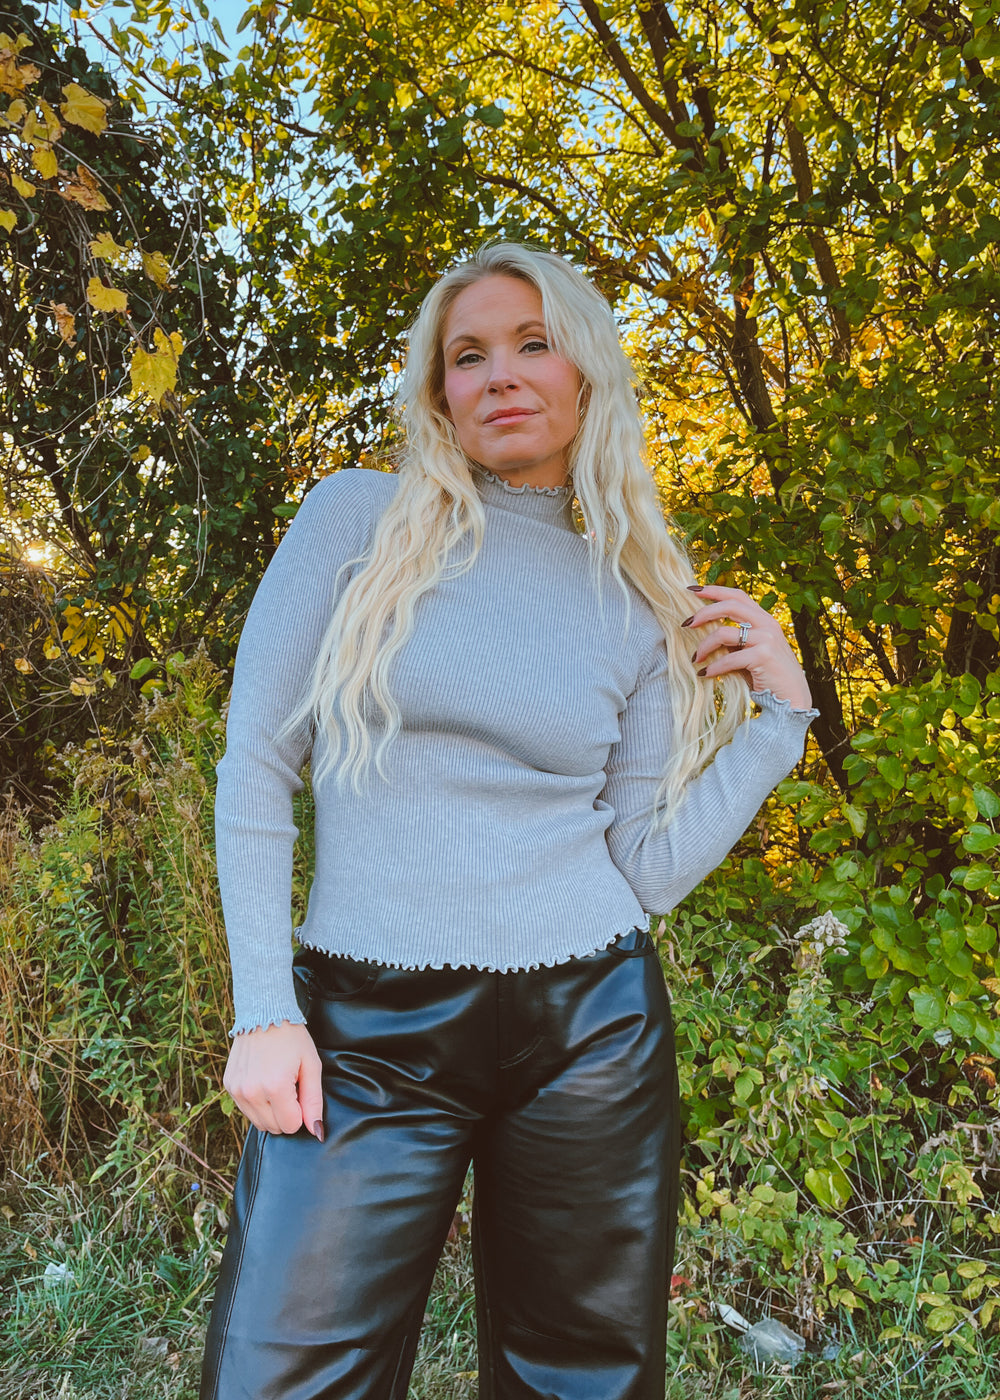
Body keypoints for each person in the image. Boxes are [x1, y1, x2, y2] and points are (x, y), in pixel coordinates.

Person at [200, 242, 817, 1400]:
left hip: (589, 1027)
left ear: (585, 374)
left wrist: (777, 720)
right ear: (438, 393)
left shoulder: (632, 592)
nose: (501, 373)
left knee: (578, 1379)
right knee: (276, 1374)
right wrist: (261, 1010)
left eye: (533, 343)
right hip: (364, 1035)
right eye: (467, 354)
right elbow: (254, 767)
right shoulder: (357, 520)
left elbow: (641, 868)